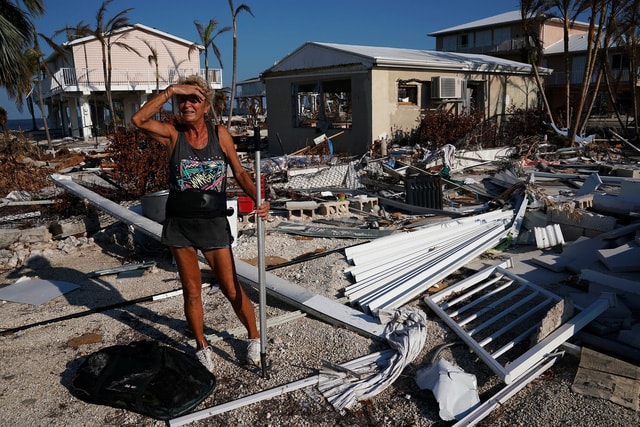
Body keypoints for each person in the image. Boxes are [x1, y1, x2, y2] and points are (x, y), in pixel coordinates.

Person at [131, 75, 269, 371]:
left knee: (231, 287)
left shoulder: (220, 135)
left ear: (207, 106)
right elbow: (138, 119)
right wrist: (170, 90)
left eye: (195, 99)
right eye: (184, 99)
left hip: (213, 223)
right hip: (180, 225)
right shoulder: (172, 134)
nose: (188, 104)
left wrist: (259, 198)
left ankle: (254, 337)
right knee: (191, 291)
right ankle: (201, 346)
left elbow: (240, 173)